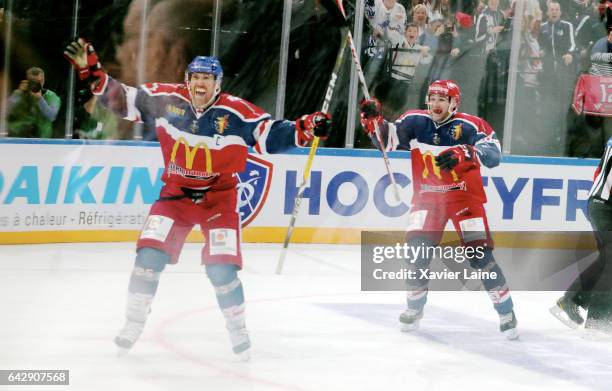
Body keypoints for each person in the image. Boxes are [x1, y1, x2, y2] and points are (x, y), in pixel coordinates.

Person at [64, 38, 332, 358]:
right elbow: (123, 99)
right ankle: (133, 322)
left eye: (207, 78)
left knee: (221, 270)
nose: (199, 83)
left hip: (218, 199)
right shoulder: (165, 99)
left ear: (217, 83)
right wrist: (93, 73)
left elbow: (270, 135)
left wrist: (306, 128)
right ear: (187, 79)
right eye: (195, 77)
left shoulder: (236, 113)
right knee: (148, 259)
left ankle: (237, 328)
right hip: (175, 196)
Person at [359, 79, 518, 339]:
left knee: (480, 257)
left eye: (442, 99)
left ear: (454, 103)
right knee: (416, 253)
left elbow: (493, 155)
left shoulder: (471, 125)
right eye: (432, 98)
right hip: (428, 198)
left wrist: (465, 152)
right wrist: (372, 119)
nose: (435, 104)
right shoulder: (414, 121)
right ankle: (414, 308)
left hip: (464, 198)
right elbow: (385, 141)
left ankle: (506, 312)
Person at [550, 136, 612, 334]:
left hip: (601, 204)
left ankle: (571, 299)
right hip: (605, 207)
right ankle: (598, 321)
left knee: (605, 260)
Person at [7, 67, 61, 138]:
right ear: (27, 81)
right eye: (32, 81)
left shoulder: (52, 96)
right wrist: (18, 93)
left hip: (43, 139)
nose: (35, 84)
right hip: (20, 137)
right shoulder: (20, 94)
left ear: (43, 81)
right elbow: (5, 111)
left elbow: (52, 117)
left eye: (38, 81)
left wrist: (40, 99)